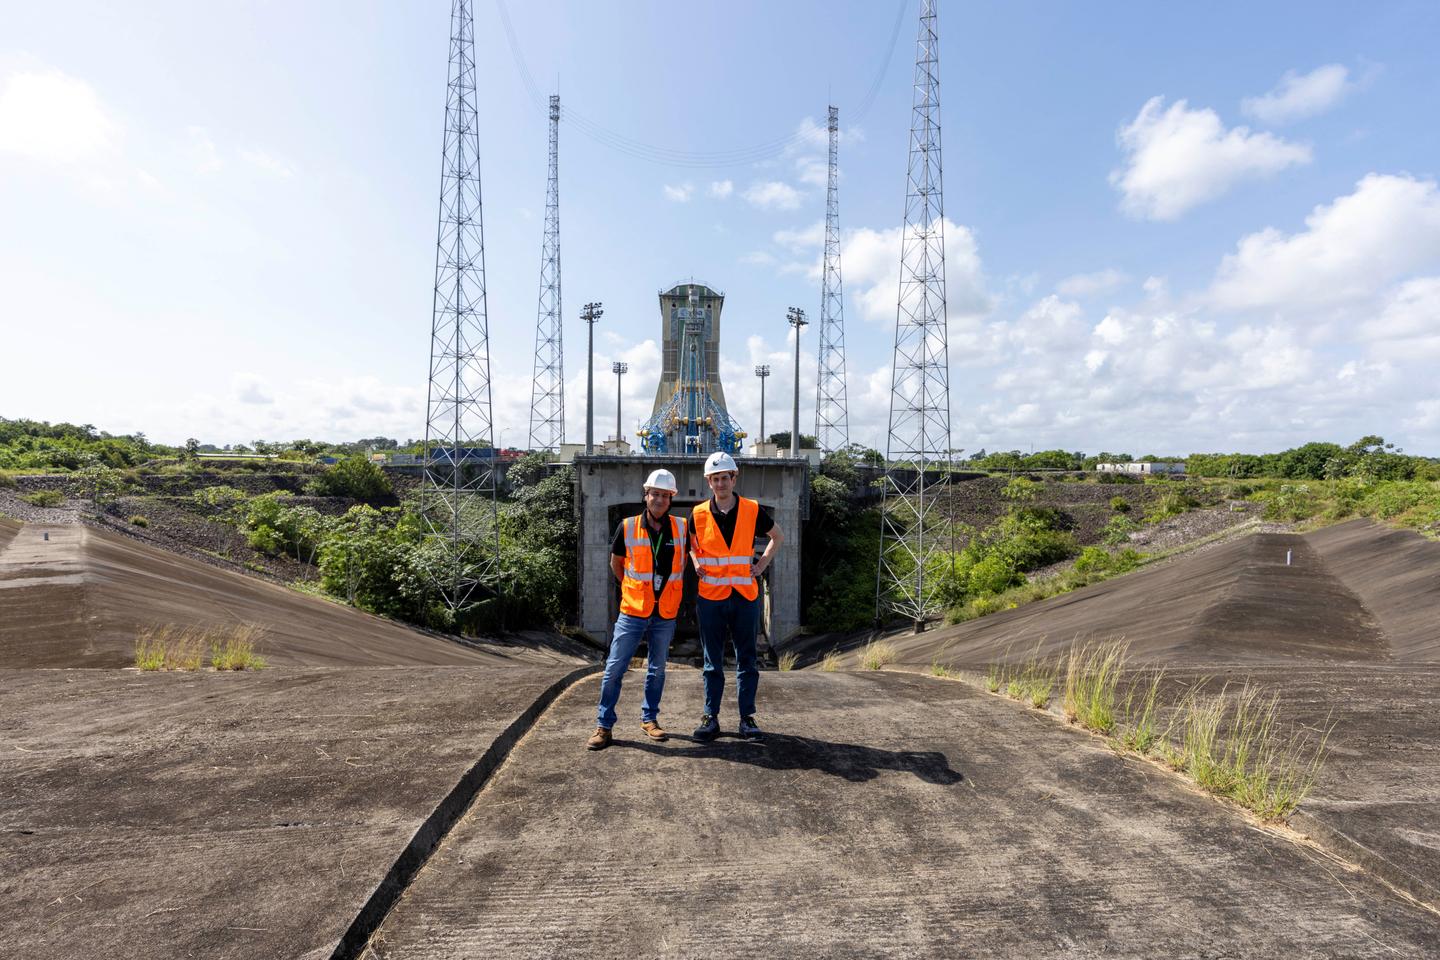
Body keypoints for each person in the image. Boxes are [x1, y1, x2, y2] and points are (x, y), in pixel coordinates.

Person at [587, 469, 688, 751]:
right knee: (614, 668)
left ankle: (649, 719)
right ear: (646, 496)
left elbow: (686, 563)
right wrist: (632, 587)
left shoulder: (681, 528)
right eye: (654, 494)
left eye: (664, 495)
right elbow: (616, 563)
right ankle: (604, 726)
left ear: (671, 499)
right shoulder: (628, 526)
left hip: (664, 612)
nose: (659, 499)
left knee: (656, 670)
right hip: (633, 611)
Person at [689, 450, 784, 741]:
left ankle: (747, 719)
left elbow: (777, 536)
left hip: (744, 596)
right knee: (711, 661)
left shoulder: (753, 510)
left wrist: (761, 565)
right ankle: (710, 718)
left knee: (747, 660)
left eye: (725, 478)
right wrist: (695, 562)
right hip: (711, 597)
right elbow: (691, 544)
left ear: (734, 477)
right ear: (709, 481)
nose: (721, 484)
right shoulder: (698, 513)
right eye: (715, 479)